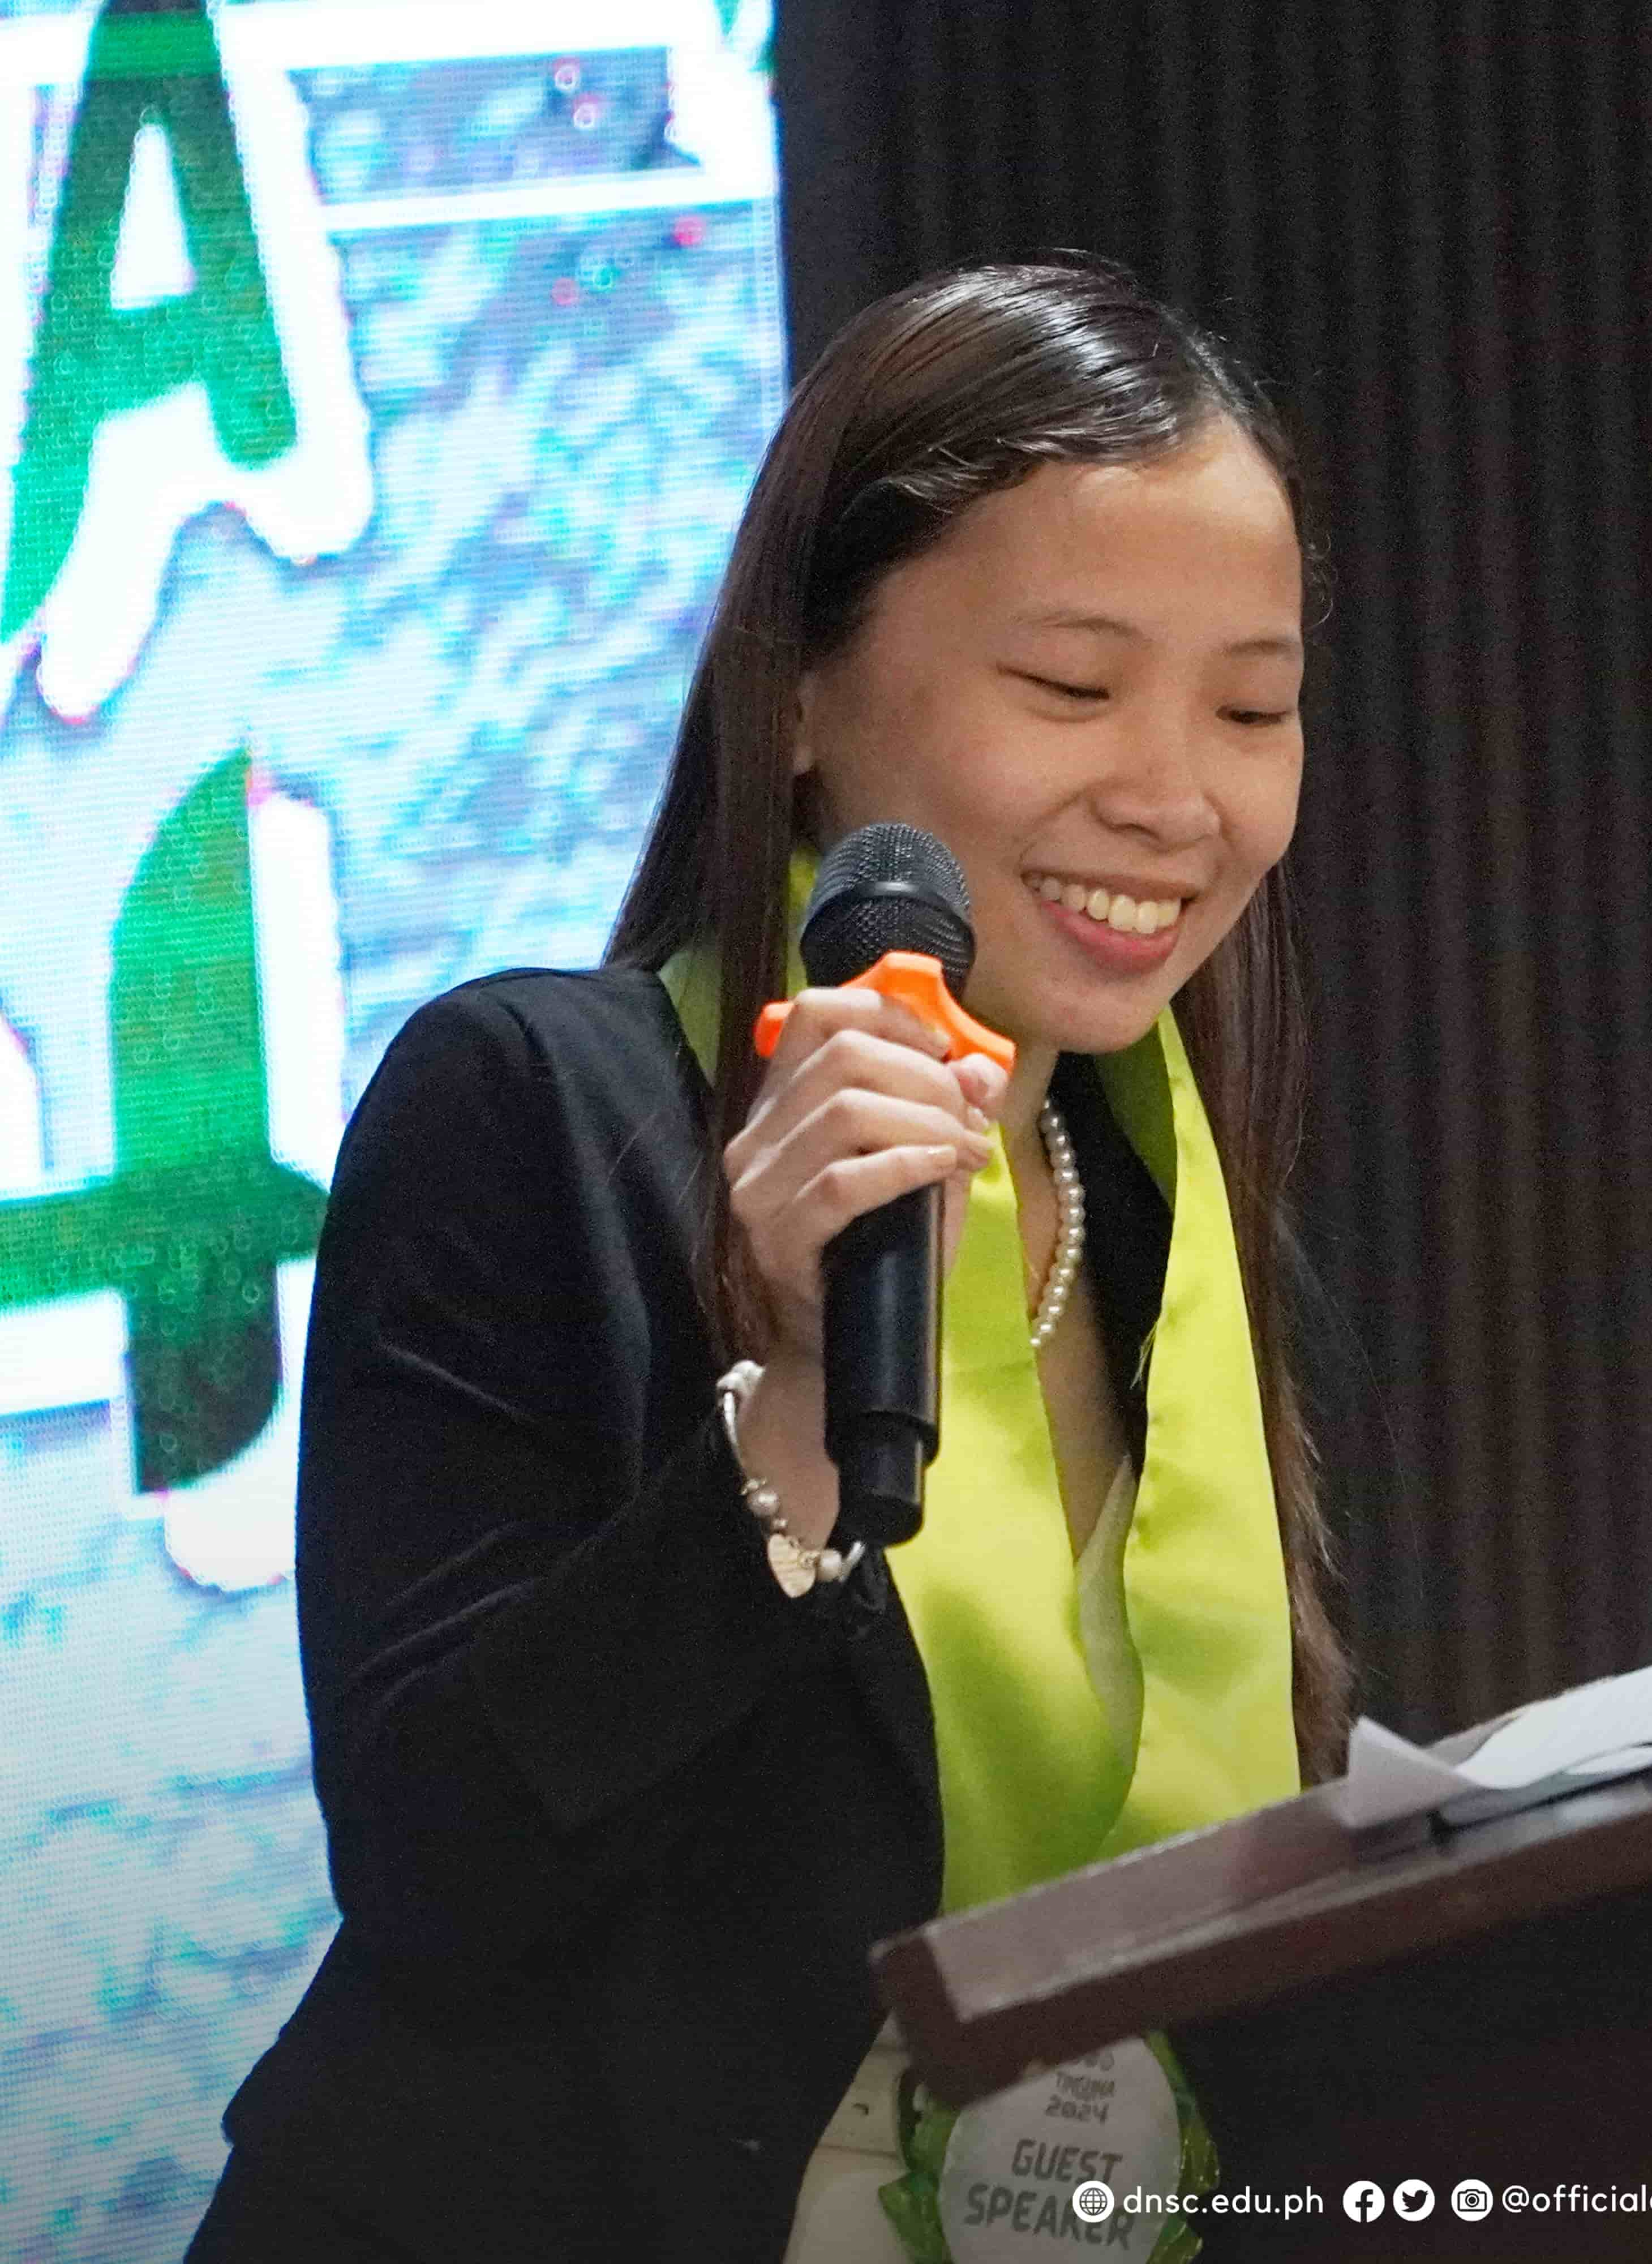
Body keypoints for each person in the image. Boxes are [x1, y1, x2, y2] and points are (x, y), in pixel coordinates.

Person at [185, 255, 1352, 2262]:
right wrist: (796, 1418)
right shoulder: (535, 1110)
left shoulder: (1170, 1192)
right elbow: (441, 1881)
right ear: (801, 695)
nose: (1177, 796)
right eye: (1071, 688)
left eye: (1254, 705)